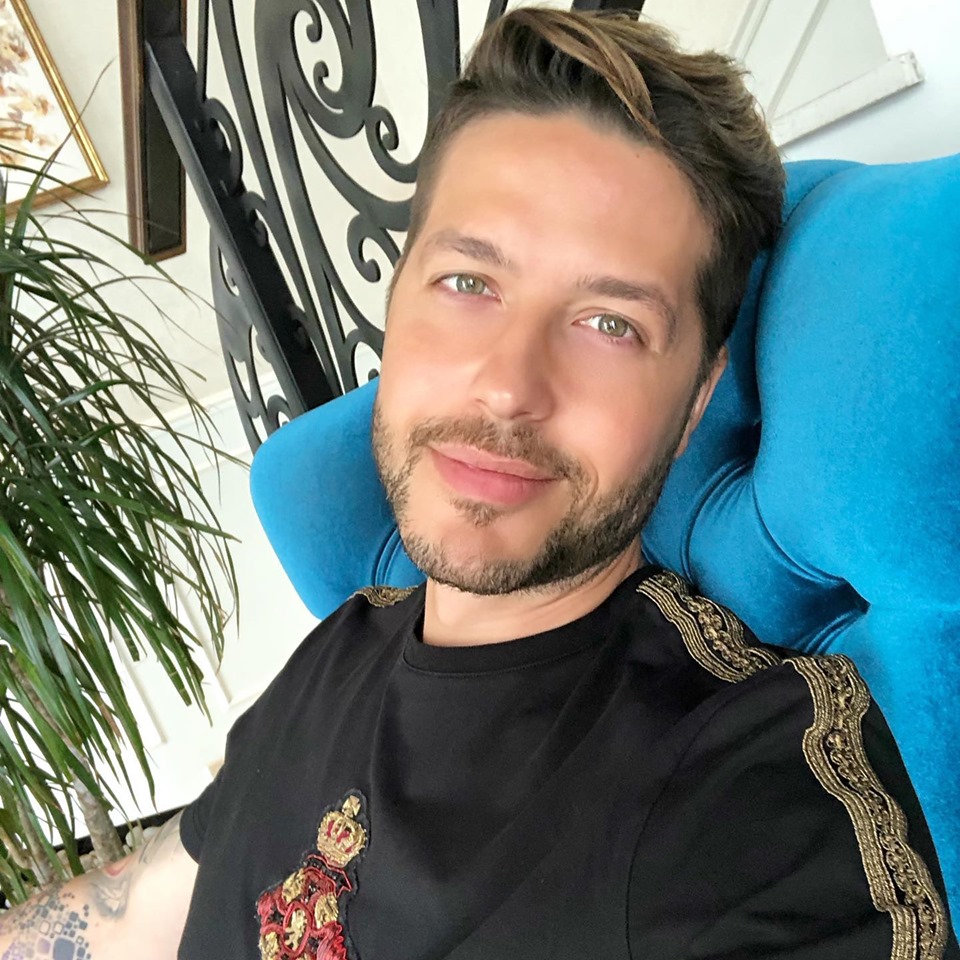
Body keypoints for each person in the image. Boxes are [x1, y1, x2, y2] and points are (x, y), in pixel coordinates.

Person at [0, 7, 956, 959]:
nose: (507, 385)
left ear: (696, 399)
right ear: (398, 298)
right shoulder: (334, 655)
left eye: (610, 324)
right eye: (468, 282)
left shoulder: (749, 788)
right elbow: (133, 914)